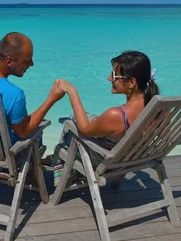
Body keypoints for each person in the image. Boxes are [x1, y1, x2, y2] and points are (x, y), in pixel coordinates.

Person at [42, 50, 159, 184]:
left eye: (114, 75)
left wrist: (72, 92)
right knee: (87, 118)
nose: (109, 78)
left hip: (105, 162)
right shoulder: (159, 109)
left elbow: (85, 129)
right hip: (129, 158)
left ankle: (62, 168)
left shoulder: (117, 115)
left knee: (69, 126)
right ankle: (55, 159)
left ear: (131, 82)